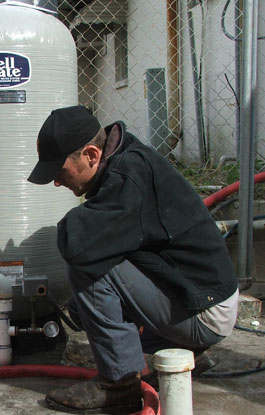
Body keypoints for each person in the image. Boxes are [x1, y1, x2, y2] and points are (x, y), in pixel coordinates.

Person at [28, 105, 239, 414]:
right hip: (202, 296)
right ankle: (182, 350)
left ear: (90, 155)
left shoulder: (128, 178)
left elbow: (76, 244)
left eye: (60, 171)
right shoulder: (124, 159)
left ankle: (119, 385)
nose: (57, 182)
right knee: (88, 296)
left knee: (89, 265)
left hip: (204, 311)